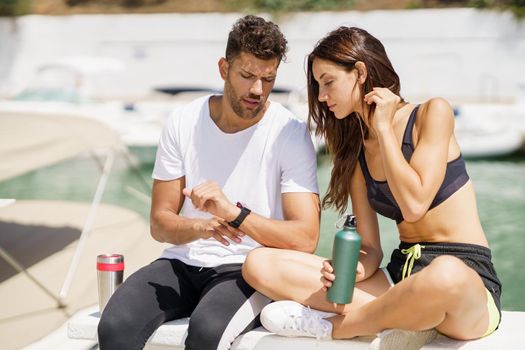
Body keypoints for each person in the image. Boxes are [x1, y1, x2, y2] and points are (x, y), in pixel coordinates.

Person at [242, 26, 502, 347]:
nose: (322, 97)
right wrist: (354, 271)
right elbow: (370, 248)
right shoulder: (357, 155)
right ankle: (411, 320)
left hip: (466, 281)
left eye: (328, 82)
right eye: (318, 86)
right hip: (399, 278)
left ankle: (339, 326)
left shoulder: (432, 114)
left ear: (360, 72)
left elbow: (414, 204)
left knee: (445, 274)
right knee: (261, 263)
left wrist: (383, 128)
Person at [97, 15, 320, 350]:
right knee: (115, 326)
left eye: (267, 79)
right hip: (181, 261)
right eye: (247, 76)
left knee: (206, 333)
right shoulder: (183, 121)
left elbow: (306, 238)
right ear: (223, 68)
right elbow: (160, 224)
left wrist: (235, 214)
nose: (257, 90)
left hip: (249, 269)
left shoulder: (290, 134)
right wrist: (201, 228)